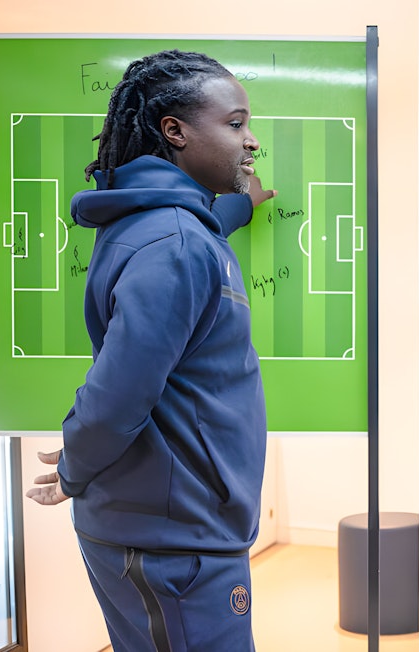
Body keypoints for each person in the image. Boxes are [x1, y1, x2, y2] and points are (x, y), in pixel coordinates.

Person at [25, 49, 276, 651]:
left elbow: (209, 221)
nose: (252, 142)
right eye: (236, 123)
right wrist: (73, 468)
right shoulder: (176, 244)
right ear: (175, 131)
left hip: (174, 530)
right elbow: (119, 394)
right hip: (172, 544)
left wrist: (244, 201)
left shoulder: (171, 226)